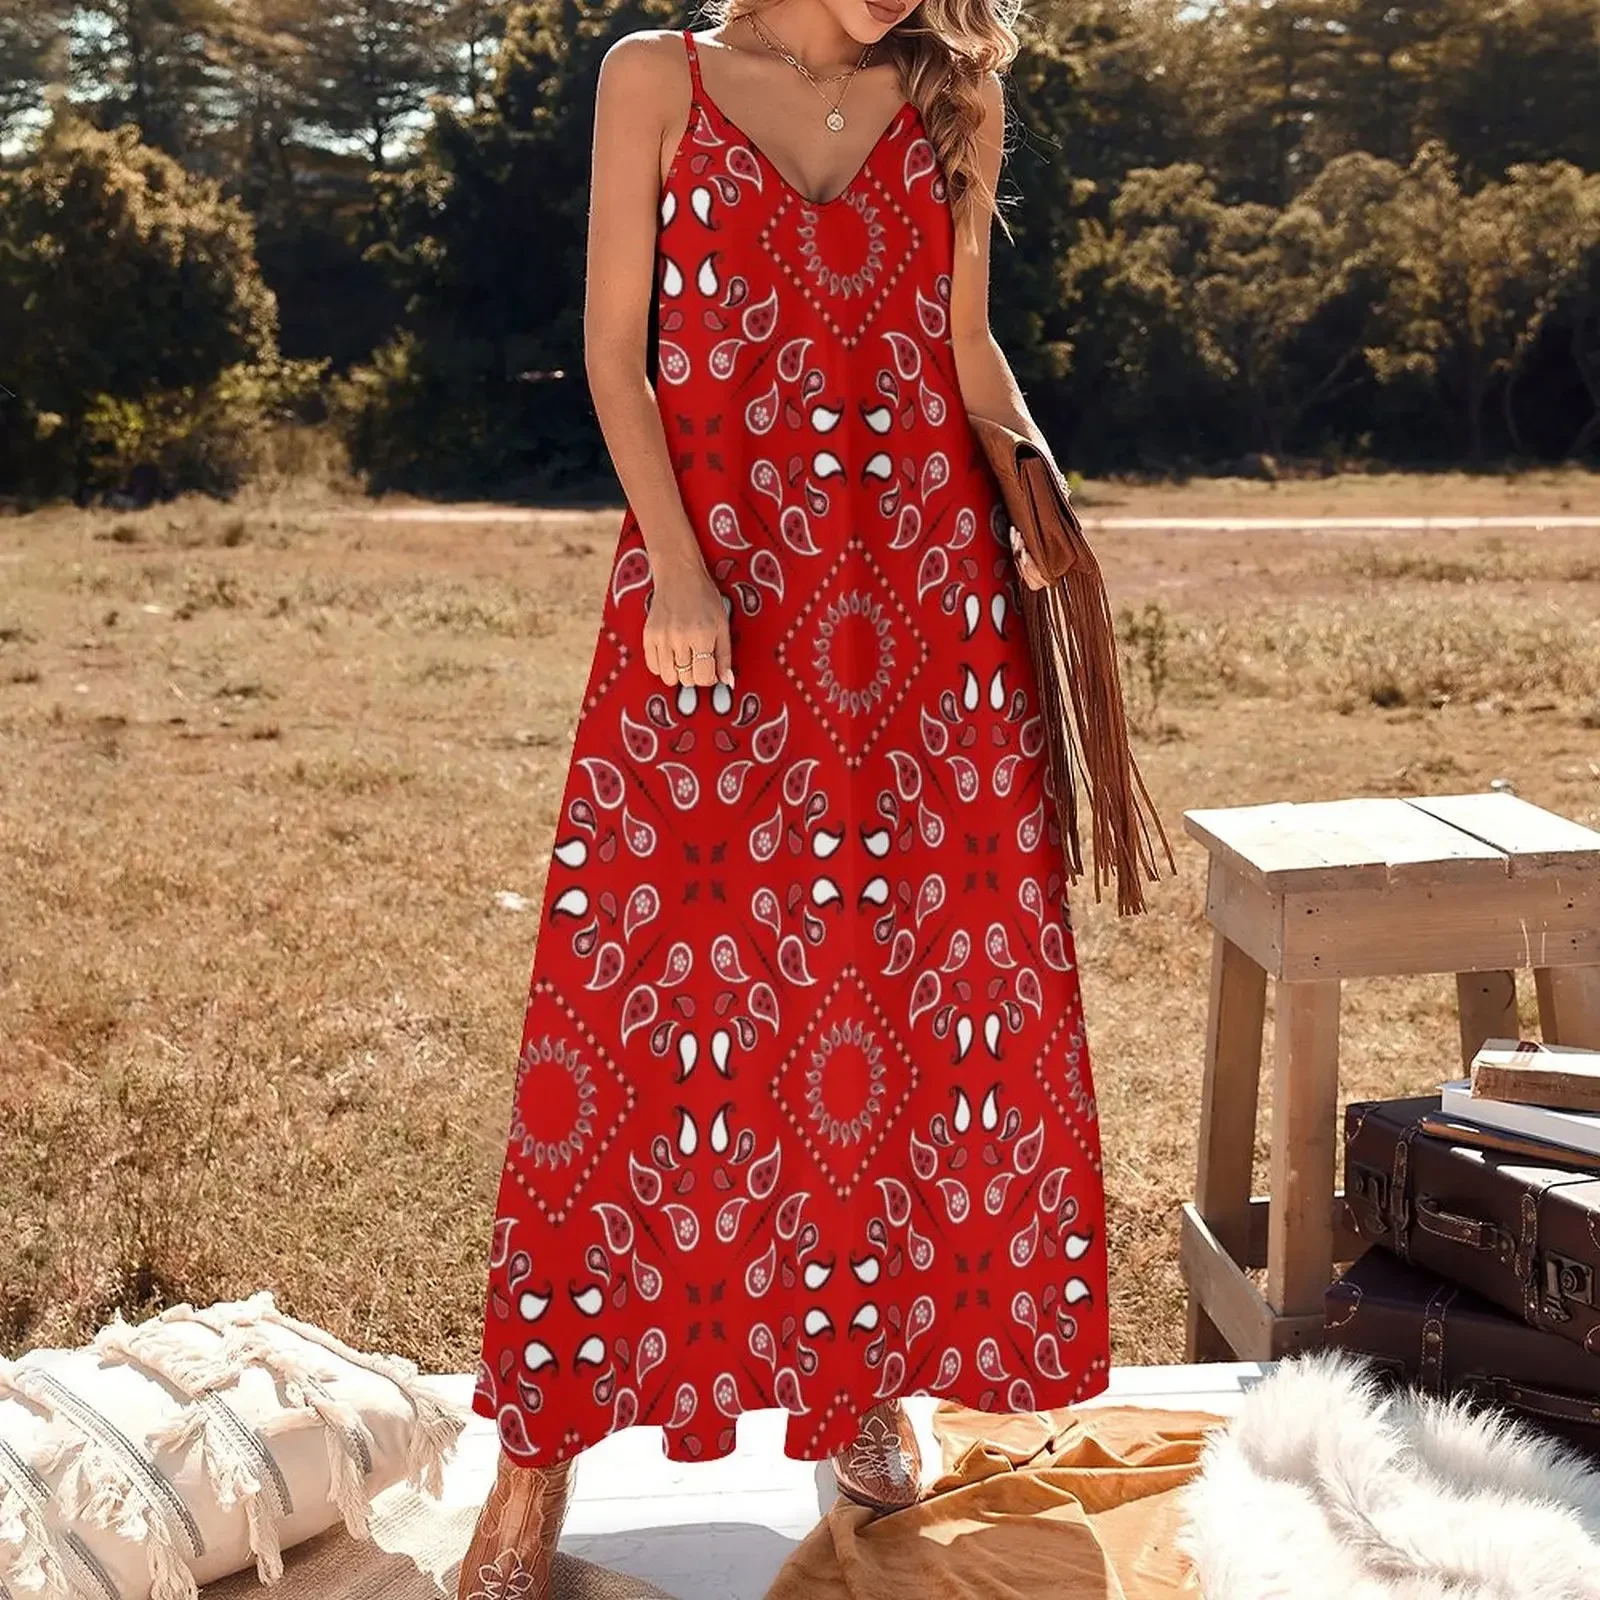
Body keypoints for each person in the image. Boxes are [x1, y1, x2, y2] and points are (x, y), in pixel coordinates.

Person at [457, 2, 1117, 1593]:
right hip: (718, 579)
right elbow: (618, 355)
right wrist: (678, 563)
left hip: (917, 597)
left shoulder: (955, 96)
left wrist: (1039, 490)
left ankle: (861, 1375)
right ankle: (538, 1454)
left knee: (894, 985)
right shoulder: (652, 79)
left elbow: (963, 348)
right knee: (637, 998)